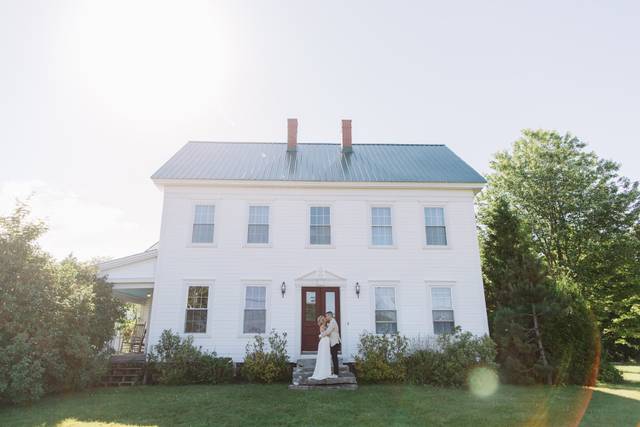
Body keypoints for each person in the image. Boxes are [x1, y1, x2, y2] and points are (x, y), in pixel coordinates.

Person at [309, 315, 333, 380]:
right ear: (322, 320)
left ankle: (326, 371)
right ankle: (323, 372)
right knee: (324, 355)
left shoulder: (325, 326)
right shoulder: (322, 326)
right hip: (324, 341)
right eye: (324, 319)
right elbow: (326, 334)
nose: (325, 319)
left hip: (325, 341)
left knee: (326, 355)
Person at [321, 311, 341, 376]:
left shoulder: (333, 322)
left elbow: (328, 331)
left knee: (334, 357)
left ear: (330, 316)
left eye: (327, 316)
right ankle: (335, 372)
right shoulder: (332, 322)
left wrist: (321, 335)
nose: (326, 317)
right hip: (333, 342)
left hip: (334, 342)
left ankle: (336, 373)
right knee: (333, 357)